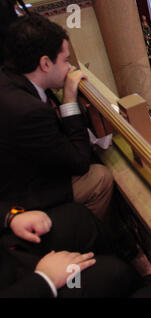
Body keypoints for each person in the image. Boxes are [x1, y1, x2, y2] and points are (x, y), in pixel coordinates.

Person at [0, 14, 113, 220]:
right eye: (66, 60)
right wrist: (69, 99)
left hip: (14, 172)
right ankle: (86, 232)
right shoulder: (30, 111)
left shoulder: (7, 78)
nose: (70, 68)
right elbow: (79, 162)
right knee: (100, 178)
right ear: (45, 63)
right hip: (18, 197)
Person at [0, 201, 151, 297]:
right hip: (29, 289)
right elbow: (77, 160)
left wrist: (10, 216)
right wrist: (44, 281)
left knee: (77, 217)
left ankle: (135, 281)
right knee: (111, 273)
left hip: (8, 255)